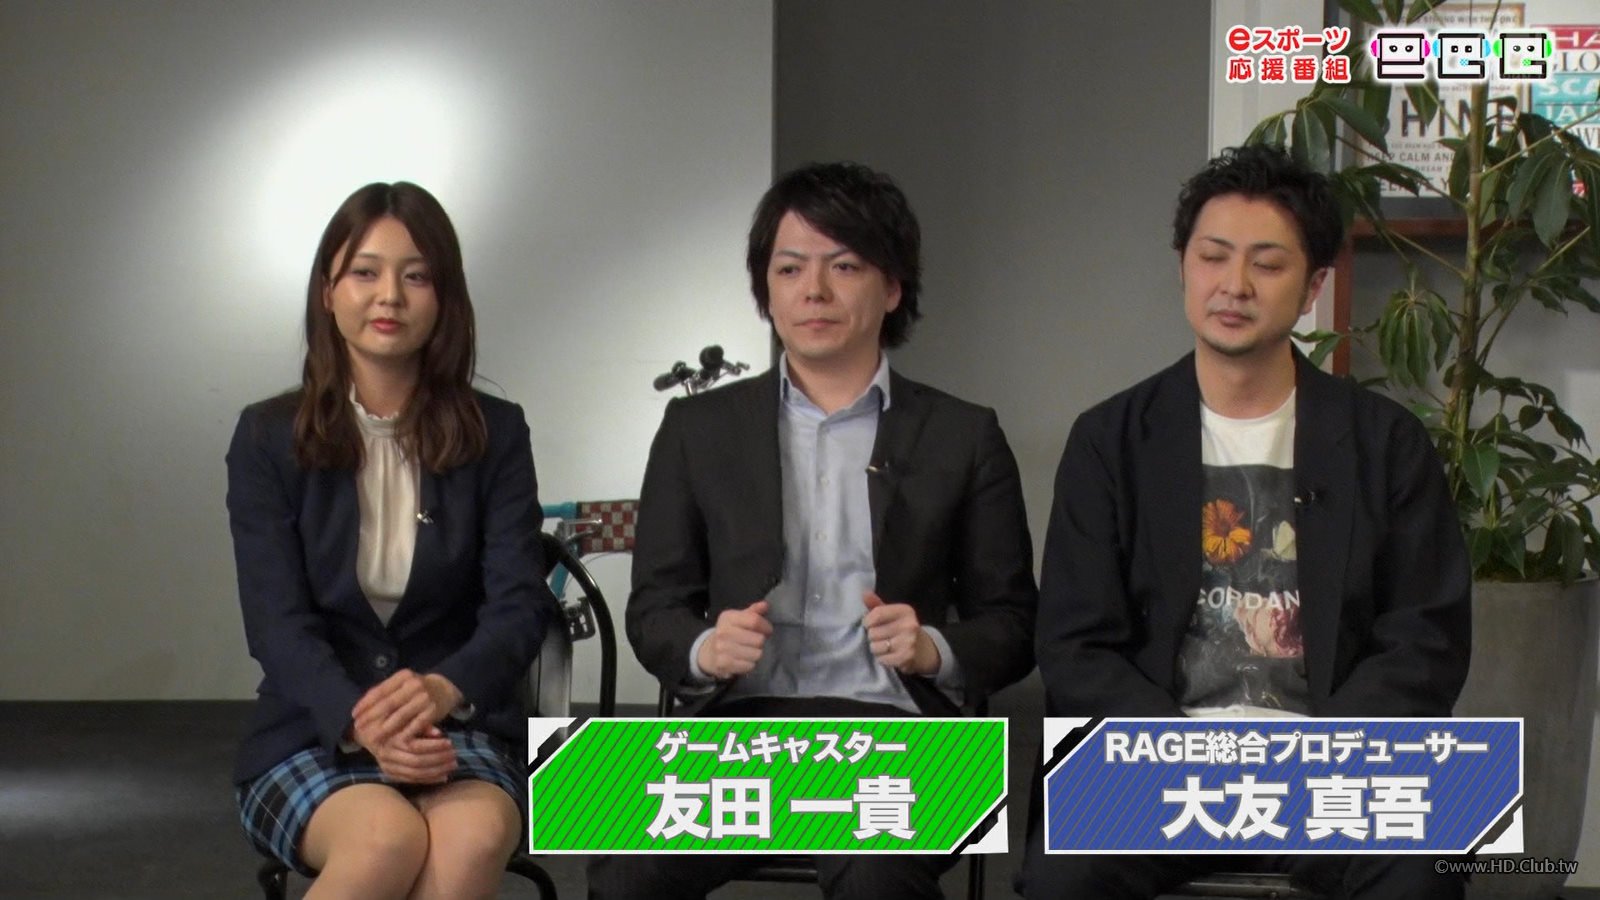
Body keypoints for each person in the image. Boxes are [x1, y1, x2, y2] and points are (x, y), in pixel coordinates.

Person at [1020, 144, 1472, 898]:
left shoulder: (1385, 442)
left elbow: (1425, 639)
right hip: (1156, 765)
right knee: (1067, 873)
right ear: (1183, 266)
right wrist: (1178, 755)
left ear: (1313, 285)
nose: (1234, 285)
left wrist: (1319, 757)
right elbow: (1075, 643)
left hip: (1335, 767)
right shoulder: (1111, 440)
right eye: (1213, 257)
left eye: (1267, 264)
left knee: (1422, 871)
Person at [588, 162, 1038, 900]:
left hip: (897, 729)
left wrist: (934, 647)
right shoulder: (698, 428)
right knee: (620, 861)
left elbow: (1015, 623)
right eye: (790, 268)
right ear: (766, 289)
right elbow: (655, 606)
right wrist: (704, 647)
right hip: (739, 726)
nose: (814, 291)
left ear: (892, 288)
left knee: (876, 875)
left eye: (845, 266)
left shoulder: (963, 435)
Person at [227, 182, 554, 899]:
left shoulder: (496, 433)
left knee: (468, 841)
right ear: (327, 292)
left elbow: (519, 607)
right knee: (385, 839)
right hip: (317, 727)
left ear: (445, 298)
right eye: (364, 272)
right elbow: (277, 624)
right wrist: (360, 721)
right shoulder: (266, 438)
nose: (389, 297)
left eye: (416, 276)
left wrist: (443, 688)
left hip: (458, 722)